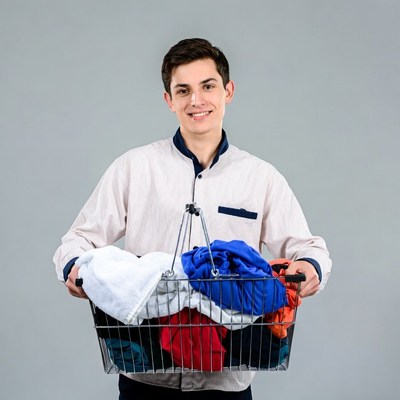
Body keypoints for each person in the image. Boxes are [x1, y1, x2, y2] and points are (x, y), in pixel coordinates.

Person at [53, 38, 332, 399]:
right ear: (169, 99)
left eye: (208, 86)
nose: (196, 100)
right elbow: (77, 240)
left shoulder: (261, 178)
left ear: (228, 91)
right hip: (146, 376)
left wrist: (309, 268)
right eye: (183, 90)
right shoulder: (134, 168)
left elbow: (308, 247)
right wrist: (75, 268)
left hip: (228, 380)